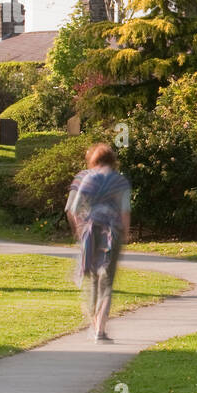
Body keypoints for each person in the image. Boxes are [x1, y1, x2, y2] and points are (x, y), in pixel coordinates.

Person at [65, 143, 131, 342]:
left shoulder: (88, 178)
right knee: (107, 281)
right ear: (113, 160)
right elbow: (125, 211)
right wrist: (125, 233)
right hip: (112, 233)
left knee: (93, 278)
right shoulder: (120, 182)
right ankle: (100, 329)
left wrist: (79, 229)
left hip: (91, 231)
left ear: (95, 160)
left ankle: (94, 323)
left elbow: (73, 209)